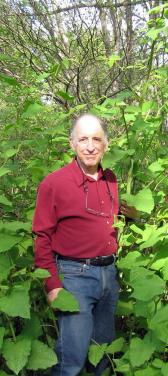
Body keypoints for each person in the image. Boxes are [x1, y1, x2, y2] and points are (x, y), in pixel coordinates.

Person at [32, 114, 137, 376]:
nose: (90, 146)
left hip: (109, 276)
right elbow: (42, 237)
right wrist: (53, 285)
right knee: (72, 359)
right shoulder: (54, 183)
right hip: (74, 277)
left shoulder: (111, 178)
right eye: (83, 139)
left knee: (103, 354)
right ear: (72, 143)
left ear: (106, 144)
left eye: (96, 139)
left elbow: (109, 219)